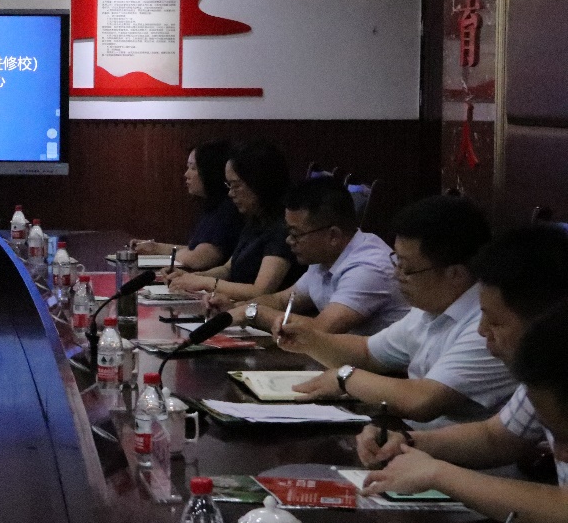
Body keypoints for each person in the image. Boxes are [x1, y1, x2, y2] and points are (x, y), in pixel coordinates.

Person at [356, 226, 568, 523]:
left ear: (548, 319)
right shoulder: (544, 372)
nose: (482, 331)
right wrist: (406, 442)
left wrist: (439, 474)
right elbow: (495, 437)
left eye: (495, 321)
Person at [279, 194, 515, 427]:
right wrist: (311, 340)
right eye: (397, 261)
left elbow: (422, 400)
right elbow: (367, 352)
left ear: (456, 274)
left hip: (450, 448)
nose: (396, 275)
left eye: (407, 268)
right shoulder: (428, 309)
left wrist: (345, 378)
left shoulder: (488, 327)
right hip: (413, 438)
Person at [224, 177, 407, 335]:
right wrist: (232, 309)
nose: (289, 240)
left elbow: (320, 330)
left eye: (296, 234)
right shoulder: (325, 258)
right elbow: (281, 300)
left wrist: (251, 313)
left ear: (333, 235)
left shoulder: (368, 268)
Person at [167, 139, 302, 301]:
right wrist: (192, 277)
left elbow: (260, 291)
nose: (231, 193)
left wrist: (205, 282)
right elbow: (227, 269)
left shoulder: (282, 227)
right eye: (229, 185)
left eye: (236, 186)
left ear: (259, 183)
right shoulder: (256, 219)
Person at [130, 139, 241, 272]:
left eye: (193, 168)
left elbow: (200, 258)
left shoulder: (229, 208)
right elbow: (193, 250)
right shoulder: (212, 207)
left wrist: (172, 255)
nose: (186, 174)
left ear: (211, 172)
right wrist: (155, 248)